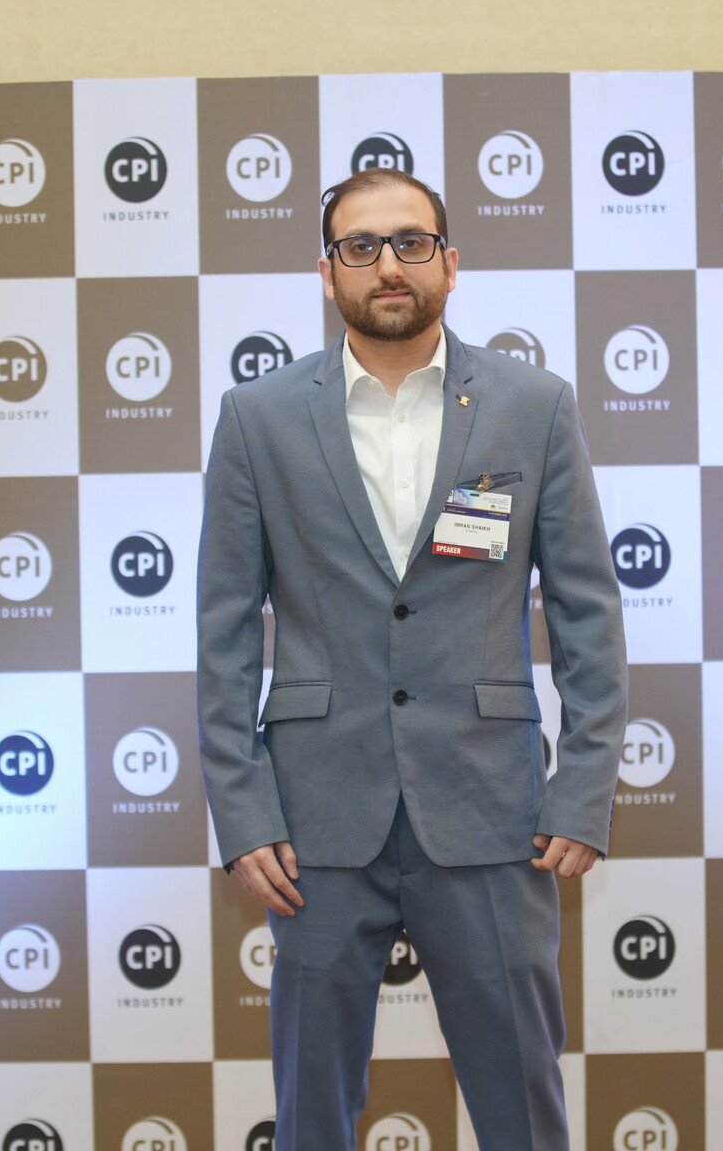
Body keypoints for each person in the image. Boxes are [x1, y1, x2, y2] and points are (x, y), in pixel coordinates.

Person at [197, 166, 627, 1151]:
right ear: (328, 272)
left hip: (492, 815)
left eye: (410, 242)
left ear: (450, 262)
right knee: (311, 1116)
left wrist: (582, 789)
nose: (388, 265)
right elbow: (223, 631)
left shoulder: (533, 407)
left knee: (523, 1112)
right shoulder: (258, 417)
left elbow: (589, 614)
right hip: (315, 826)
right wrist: (244, 810)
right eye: (361, 246)